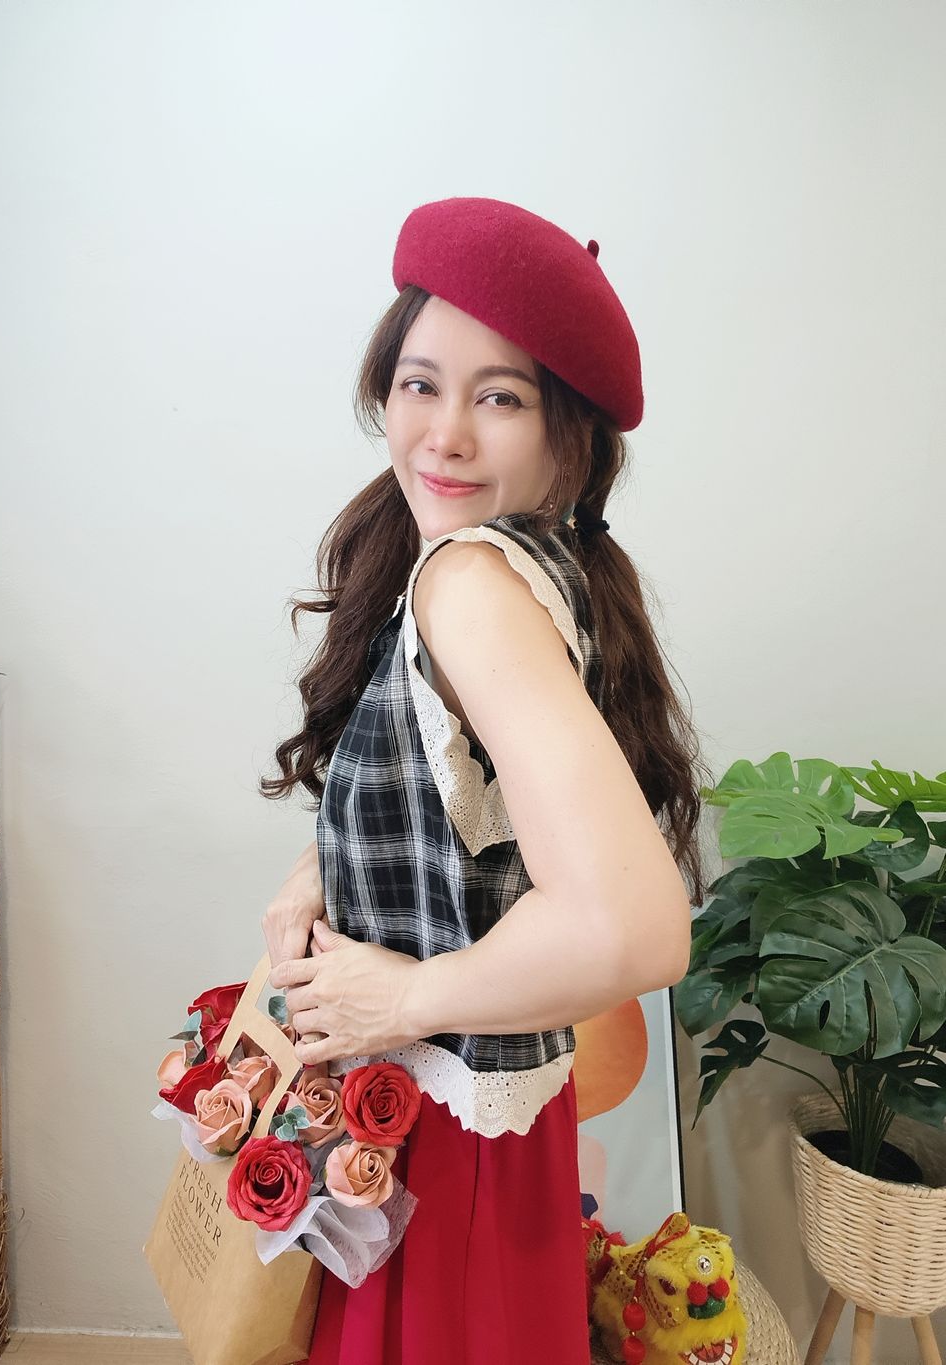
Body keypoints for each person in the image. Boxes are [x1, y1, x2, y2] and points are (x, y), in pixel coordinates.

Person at [259, 196, 710, 1365]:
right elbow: (480, 812)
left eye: (499, 398)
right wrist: (323, 867)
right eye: (419, 384)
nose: (444, 435)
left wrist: (403, 999)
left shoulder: (469, 583)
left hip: (441, 1129)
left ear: (571, 438)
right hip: (476, 1113)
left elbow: (640, 929)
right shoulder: (535, 565)